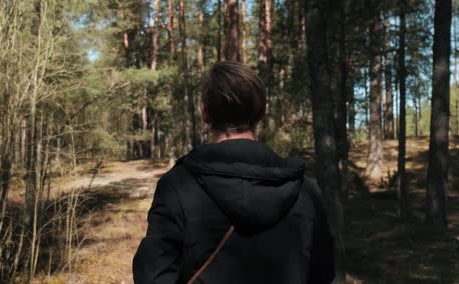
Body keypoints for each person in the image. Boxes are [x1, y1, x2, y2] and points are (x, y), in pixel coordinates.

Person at [133, 62, 335, 284]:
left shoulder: (178, 186)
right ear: (261, 112)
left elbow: (154, 275)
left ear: (205, 113)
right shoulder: (306, 191)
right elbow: (323, 273)